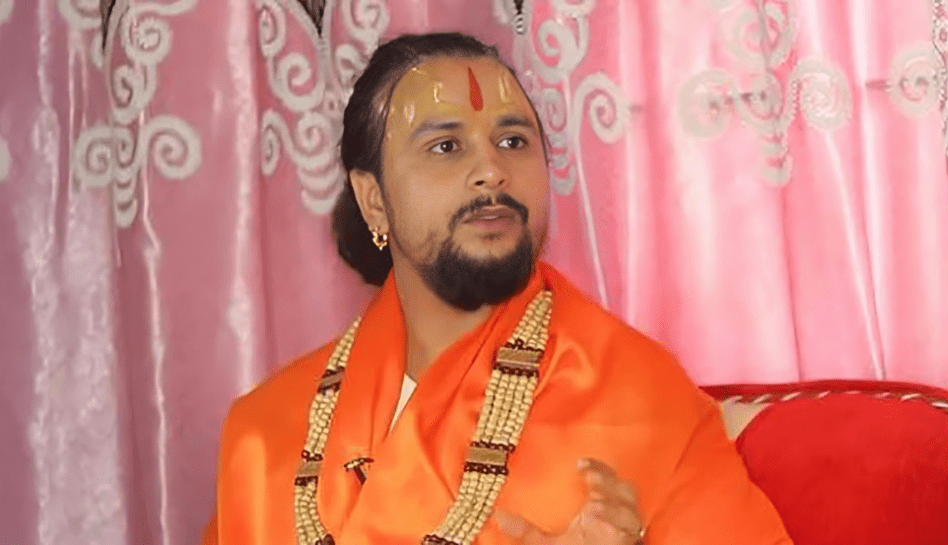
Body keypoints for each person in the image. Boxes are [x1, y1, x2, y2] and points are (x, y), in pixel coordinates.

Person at [203, 32, 792, 545]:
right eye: (446, 146)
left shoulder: (639, 402)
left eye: (513, 141)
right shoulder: (268, 437)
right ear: (373, 199)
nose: (492, 170)